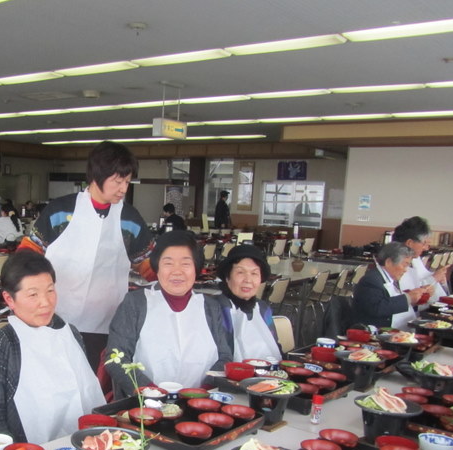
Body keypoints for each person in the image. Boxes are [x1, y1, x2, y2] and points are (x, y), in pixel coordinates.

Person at [19, 141, 155, 371]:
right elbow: (26, 257)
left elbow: (147, 264)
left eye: (127, 182)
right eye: (118, 182)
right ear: (96, 175)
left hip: (106, 323)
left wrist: (173, 275)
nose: (123, 189)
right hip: (53, 318)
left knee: (95, 383)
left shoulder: (130, 218)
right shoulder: (59, 211)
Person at [0, 251, 104, 443]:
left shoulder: (70, 334)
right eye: (33, 294)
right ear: (9, 299)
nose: (46, 303)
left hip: (86, 445)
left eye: (50, 291)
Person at [105, 231, 231, 397]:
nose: (176, 271)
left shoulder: (210, 307)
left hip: (200, 401)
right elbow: (116, 358)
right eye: (168, 263)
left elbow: (225, 357)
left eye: (185, 264)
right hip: (147, 403)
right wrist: (151, 392)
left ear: (196, 268)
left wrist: (202, 392)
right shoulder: (135, 303)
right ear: (157, 268)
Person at [215, 245, 282, 361]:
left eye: (254, 273)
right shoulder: (216, 309)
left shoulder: (263, 309)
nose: (248, 280)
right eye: (240, 272)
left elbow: (275, 345)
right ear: (227, 277)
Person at [352, 242, 428, 329]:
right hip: (375, 330)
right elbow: (377, 308)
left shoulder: (390, 278)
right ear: (388, 262)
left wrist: (415, 298)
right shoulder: (372, 280)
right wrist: (408, 298)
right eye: (404, 265)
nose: (405, 270)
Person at [392, 216, 447, 305]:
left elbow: (415, 286)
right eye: (424, 243)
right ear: (409, 243)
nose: (426, 248)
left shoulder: (415, 259)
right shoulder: (394, 262)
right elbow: (400, 295)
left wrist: (426, 288)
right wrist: (433, 279)